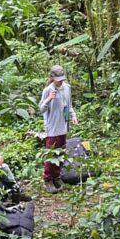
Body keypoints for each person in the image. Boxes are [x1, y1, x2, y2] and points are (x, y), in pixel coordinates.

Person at [38, 64, 78, 194]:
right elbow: (41, 109)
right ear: (52, 78)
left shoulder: (67, 88)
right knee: (51, 154)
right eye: (58, 79)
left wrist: (73, 116)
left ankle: (57, 176)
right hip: (52, 127)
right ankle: (48, 179)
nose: (60, 81)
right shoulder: (47, 90)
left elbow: (69, 104)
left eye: (62, 78)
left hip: (63, 126)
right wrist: (49, 99)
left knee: (61, 153)